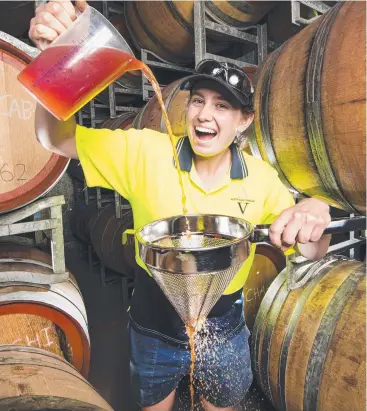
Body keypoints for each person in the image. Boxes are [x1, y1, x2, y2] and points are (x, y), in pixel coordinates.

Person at [29, 1, 332, 410]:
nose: (205, 114)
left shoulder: (262, 179)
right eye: (197, 100)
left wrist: (315, 213)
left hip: (223, 329)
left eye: (222, 105)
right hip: (154, 327)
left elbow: (312, 251)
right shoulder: (145, 152)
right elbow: (56, 139)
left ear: (244, 121)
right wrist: (53, 60)